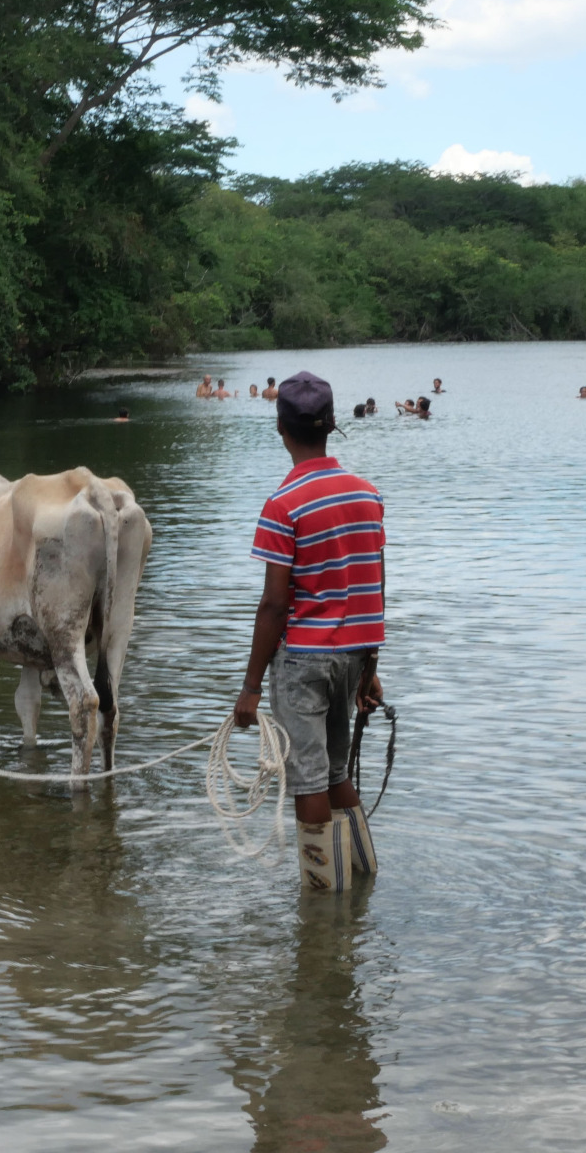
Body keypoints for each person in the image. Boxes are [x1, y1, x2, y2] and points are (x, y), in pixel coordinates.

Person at [235, 371, 385, 894]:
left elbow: (275, 604)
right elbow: (373, 584)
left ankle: (323, 906)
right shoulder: (368, 495)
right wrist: (370, 668)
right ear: (332, 423)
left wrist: (251, 686)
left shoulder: (283, 505)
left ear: (281, 428)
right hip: (352, 656)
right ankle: (362, 881)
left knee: (307, 779)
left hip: (303, 659)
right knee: (336, 772)